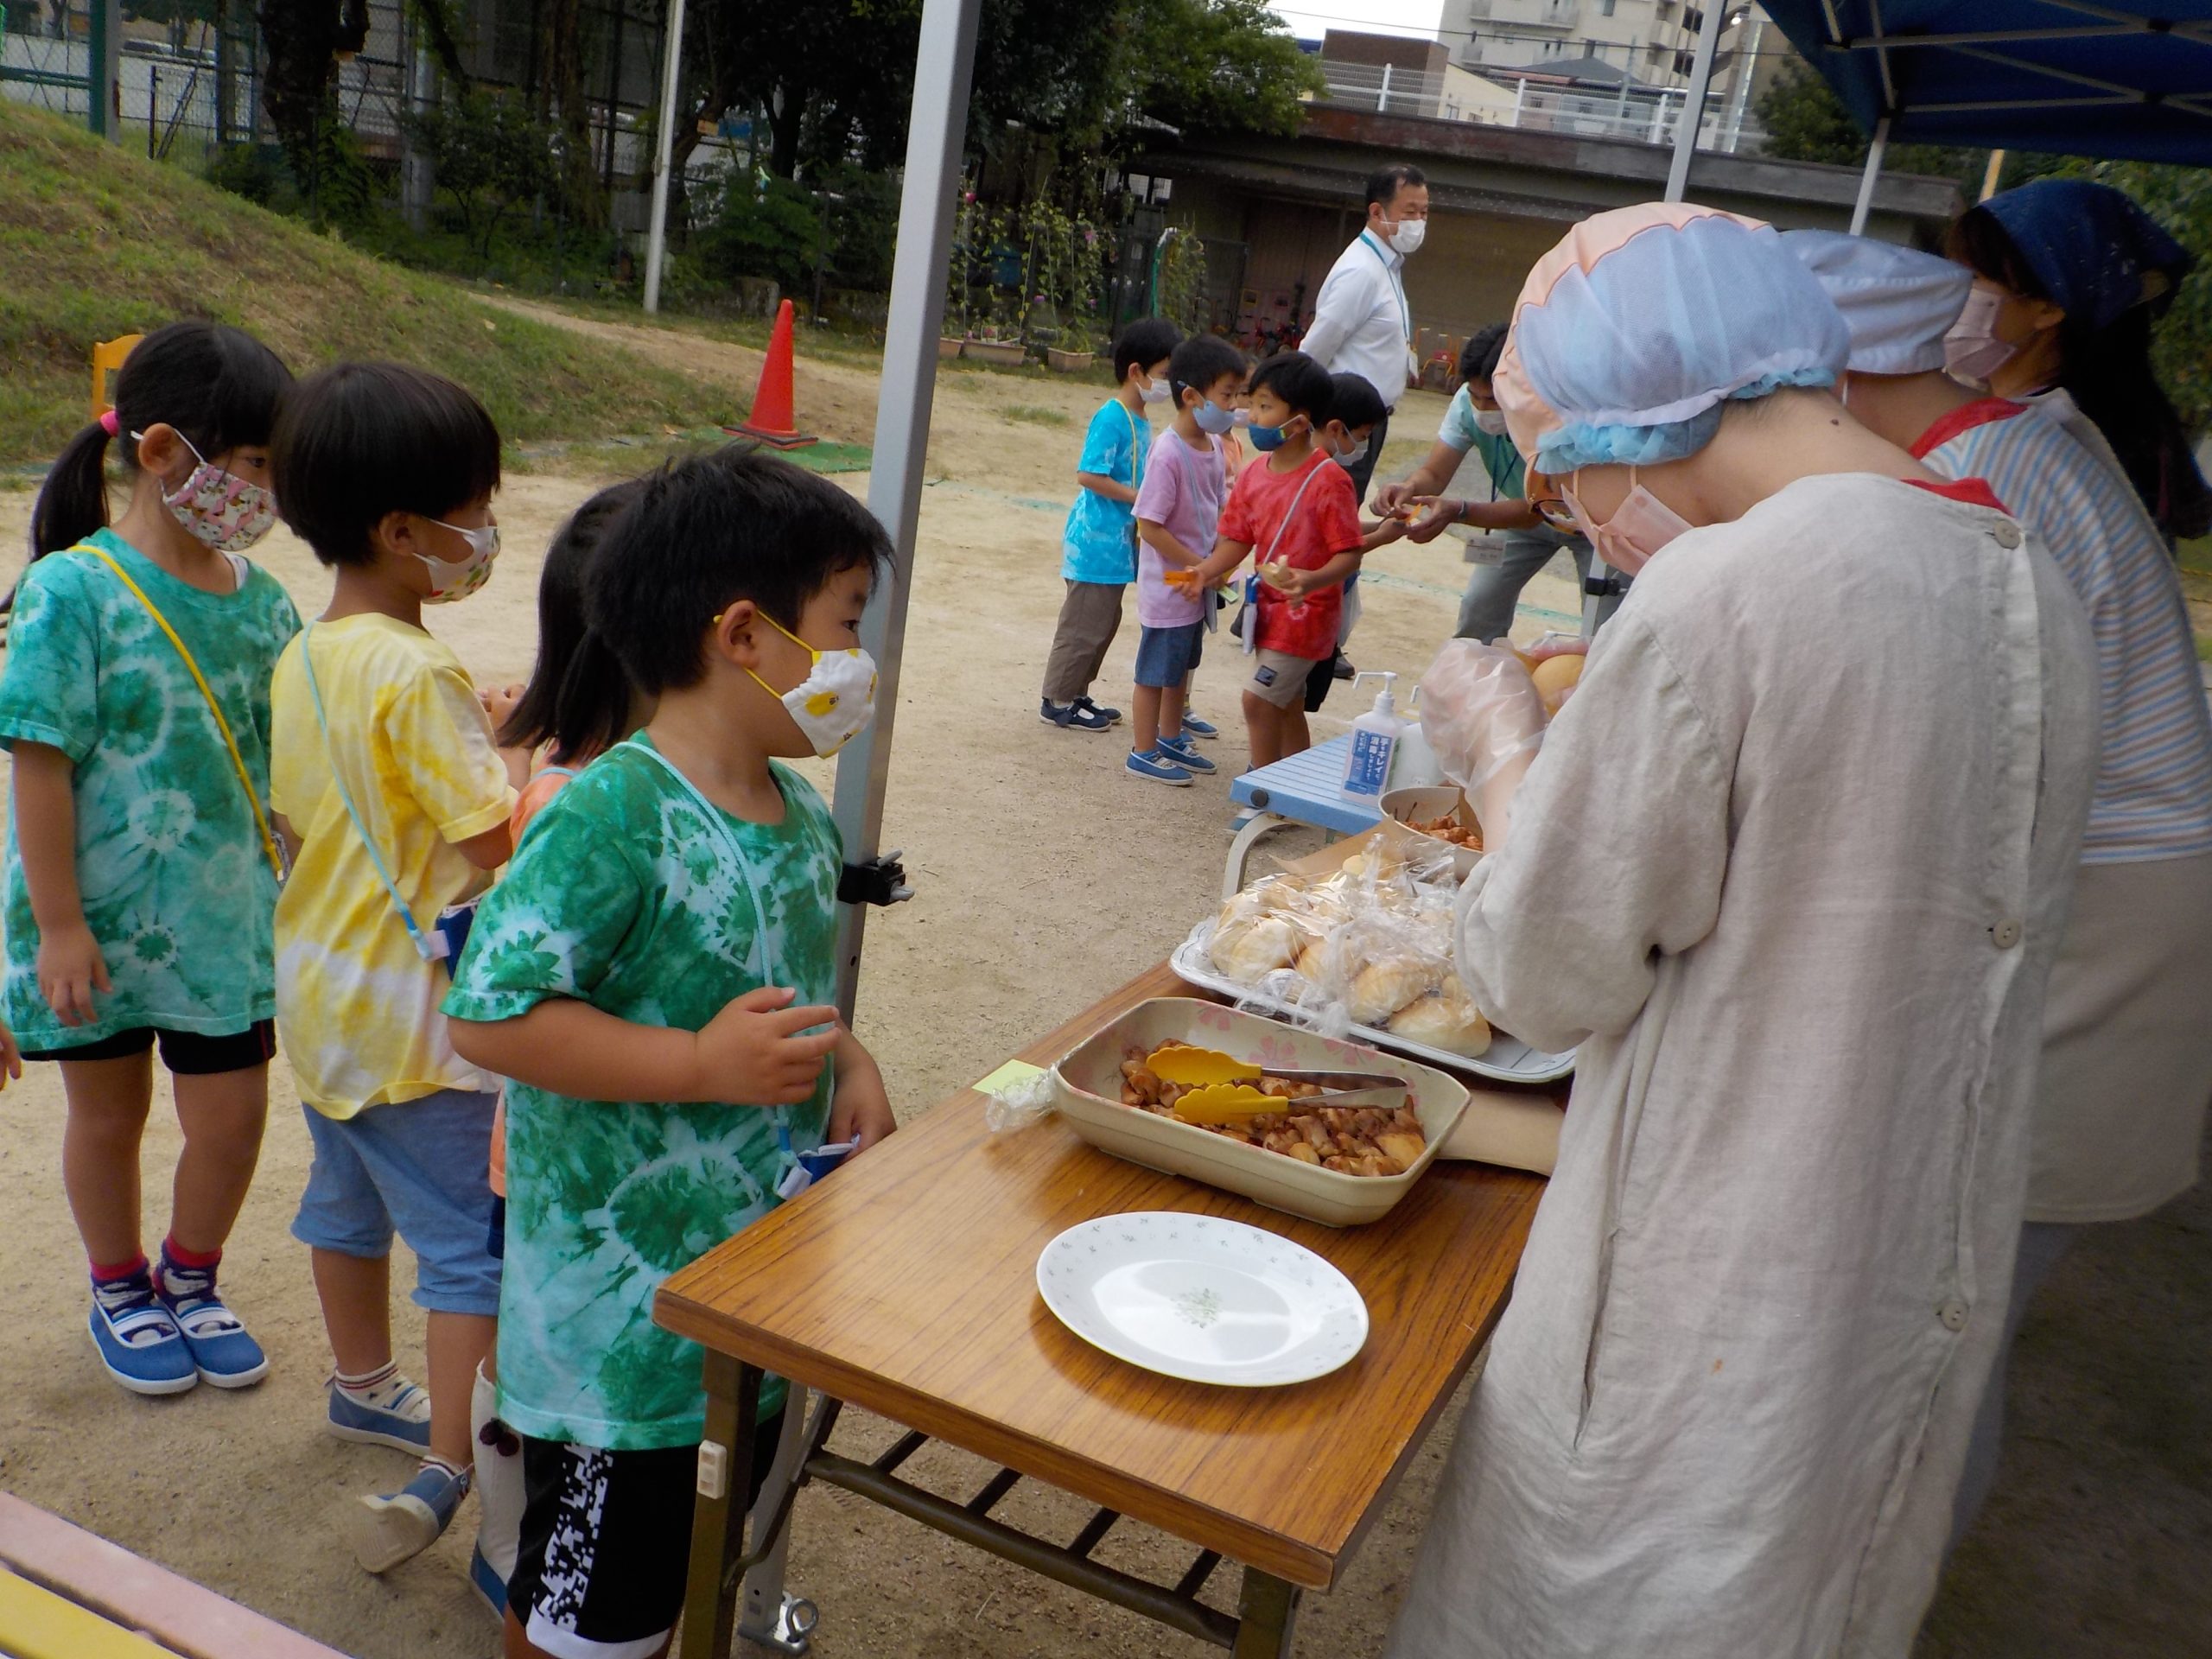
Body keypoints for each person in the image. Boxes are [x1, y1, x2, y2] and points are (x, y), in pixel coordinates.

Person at [1386, 204, 2097, 1658]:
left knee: (1609, 1587)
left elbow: (1544, 970)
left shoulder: (1731, 585)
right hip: (1887, 1263)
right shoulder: (2027, 577)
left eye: (1571, 483)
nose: (1588, 522)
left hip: (1708, 1262)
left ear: (1627, 422)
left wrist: (1502, 752)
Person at [441, 448, 899, 1659]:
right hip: (614, 1344)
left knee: (685, 1572)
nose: (860, 659)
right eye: (845, 623)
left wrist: (844, 1056)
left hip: (743, 1298)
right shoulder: (611, 809)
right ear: (743, 634)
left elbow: (766, 989)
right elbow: (489, 1013)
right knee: (586, 1614)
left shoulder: (800, 814)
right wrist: (696, 1067)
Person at [1789, 228, 2212, 1540]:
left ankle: (1873, 1595)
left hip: (2107, 938)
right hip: (2112, 901)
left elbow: (1931, 775)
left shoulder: (1980, 480)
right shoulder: (2008, 440)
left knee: (1935, 1335)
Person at [267, 362, 529, 1582]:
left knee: (344, 1203)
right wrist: (532, 758)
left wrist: (482, 726)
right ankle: (451, 1455)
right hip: (412, 1021)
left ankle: (359, 1383)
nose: (485, 530)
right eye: (474, 506)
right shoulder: (418, 672)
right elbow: (494, 843)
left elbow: (331, 801)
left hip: (320, 1001)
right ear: (400, 529)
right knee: (466, 1250)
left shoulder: (307, 650)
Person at [3, 320, 296, 1397]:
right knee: (109, 1113)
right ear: (167, 452)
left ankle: (192, 1271)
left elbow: (284, 771)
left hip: (221, 916)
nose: (267, 496)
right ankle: (119, 1282)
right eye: (258, 468)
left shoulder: (265, 605)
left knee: (233, 1113)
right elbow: (39, 765)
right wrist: (62, 925)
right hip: (99, 919)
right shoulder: (71, 590)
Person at [1944, 178, 2210, 544]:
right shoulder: (2055, 422)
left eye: (1971, 278)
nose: (1947, 289)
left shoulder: (2044, 445)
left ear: (2050, 307)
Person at [1375, 322, 1610, 642]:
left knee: (1604, 627)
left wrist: (1458, 511)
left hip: (1595, 526)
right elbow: (1435, 474)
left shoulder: (1555, 411)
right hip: (1521, 518)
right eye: (1475, 396)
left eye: (1494, 399)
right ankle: (1474, 680)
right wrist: (1410, 487)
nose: (1482, 408)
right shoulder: (1465, 405)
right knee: (1479, 608)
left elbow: (1534, 510)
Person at [1190, 353, 1363, 771]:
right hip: (1266, 612)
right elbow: (1237, 539)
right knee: (1286, 705)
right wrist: (1205, 571)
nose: (1251, 415)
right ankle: (1293, 785)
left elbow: (1350, 552)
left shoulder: (1330, 480)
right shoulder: (1253, 474)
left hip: (1307, 618)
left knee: (1258, 700)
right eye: (1252, 403)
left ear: (1300, 422)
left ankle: (1262, 790)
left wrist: (1312, 580)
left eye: (1265, 406)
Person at [1040, 316, 1181, 732]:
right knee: (1083, 624)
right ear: (1136, 371)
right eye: (1164, 375)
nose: (1167, 385)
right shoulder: (1113, 416)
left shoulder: (1139, 419)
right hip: (1095, 542)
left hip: (1119, 544)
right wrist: (1141, 498)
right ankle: (1057, 698)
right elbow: (1089, 474)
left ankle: (1078, 692)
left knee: (1104, 623)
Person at [1128, 335, 1245, 785]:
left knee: (1181, 668)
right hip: (1171, 584)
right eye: (1227, 395)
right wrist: (1199, 565)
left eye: (1237, 396)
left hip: (1198, 582)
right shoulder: (1168, 451)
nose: (1233, 407)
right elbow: (1150, 526)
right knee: (1155, 673)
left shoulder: (1214, 446)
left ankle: (1170, 737)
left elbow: (1218, 507)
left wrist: (1216, 562)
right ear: (1192, 396)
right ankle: (1142, 750)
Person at [1298, 162, 1429, 509]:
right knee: (1330, 517)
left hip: (1369, 421)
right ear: (1376, 211)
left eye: (1425, 213)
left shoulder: (1387, 265)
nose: (1418, 223)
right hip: (1345, 424)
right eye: (1410, 212)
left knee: (1342, 515)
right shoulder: (1361, 270)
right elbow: (1314, 350)